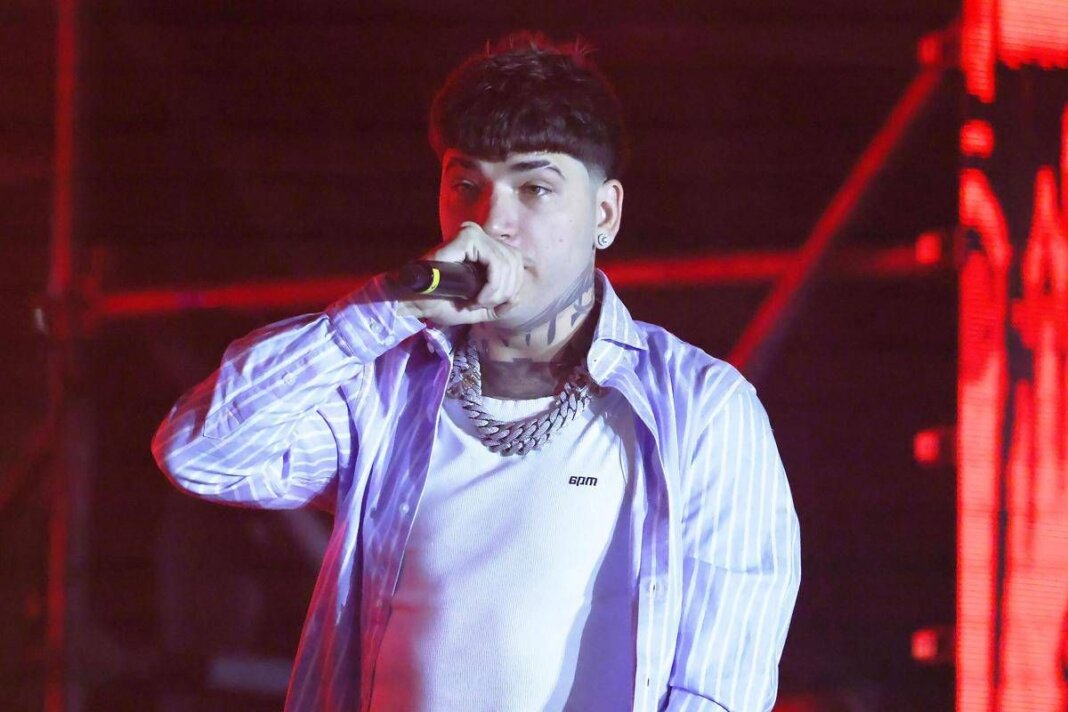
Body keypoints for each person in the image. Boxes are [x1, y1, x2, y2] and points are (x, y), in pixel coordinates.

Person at [152, 31, 801, 712]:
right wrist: (390, 306)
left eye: (535, 188)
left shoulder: (701, 409)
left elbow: (719, 689)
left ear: (605, 213)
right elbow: (201, 452)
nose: (493, 220)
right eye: (466, 185)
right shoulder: (384, 393)